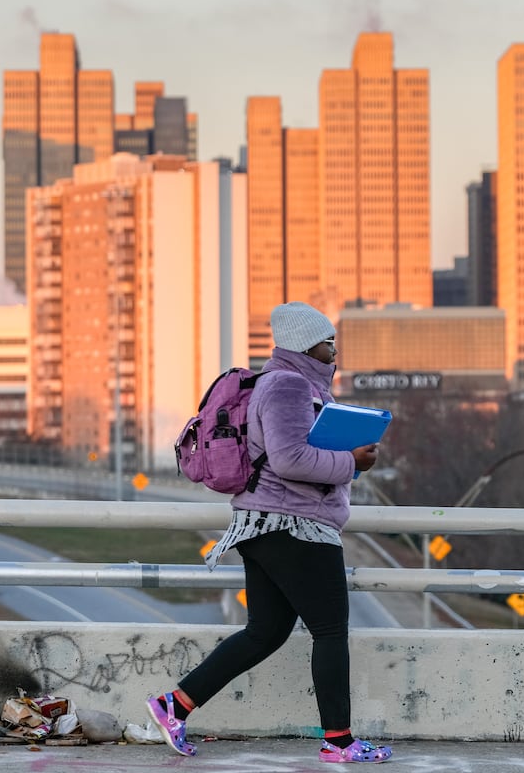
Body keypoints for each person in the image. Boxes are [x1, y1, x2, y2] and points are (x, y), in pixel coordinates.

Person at [146, 301, 393, 764]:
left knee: (265, 632)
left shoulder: (290, 383)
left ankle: (174, 706)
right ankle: (339, 742)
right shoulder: (288, 385)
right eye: (328, 342)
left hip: (269, 524)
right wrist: (351, 462)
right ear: (306, 345)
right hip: (294, 525)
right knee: (330, 631)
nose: (334, 351)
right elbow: (288, 458)